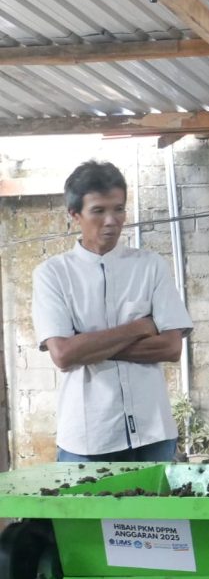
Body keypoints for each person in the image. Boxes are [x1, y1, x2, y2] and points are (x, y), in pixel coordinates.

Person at [32, 160, 192, 463]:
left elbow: (171, 347)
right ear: (75, 214)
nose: (111, 220)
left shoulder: (150, 266)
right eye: (99, 210)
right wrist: (140, 327)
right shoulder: (52, 274)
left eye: (119, 209)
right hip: (88, 436)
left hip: (154, 430)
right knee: (85, 512)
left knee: (157, 512)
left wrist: (87, 345)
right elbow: (63, 355)